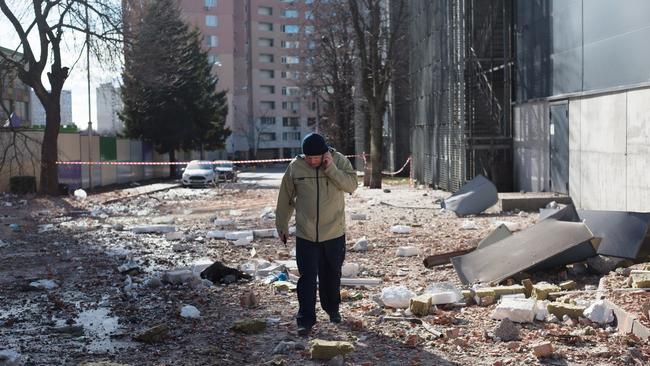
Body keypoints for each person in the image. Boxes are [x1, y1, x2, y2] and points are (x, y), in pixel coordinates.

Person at [275, 133, 358, 336]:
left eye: (316, 158)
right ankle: (305, 319)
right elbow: (285, 197)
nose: (312, 161)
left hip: (334, 232)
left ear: (325, 154)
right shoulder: (296, 167)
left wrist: (331, 169)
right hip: (306, 233)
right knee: (307, 278)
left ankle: (332, 309)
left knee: (332, 274)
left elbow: (351, 186)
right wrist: (282, 225)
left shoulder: (338, 160)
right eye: (308, 157)